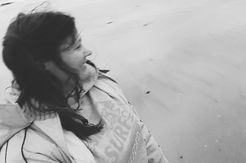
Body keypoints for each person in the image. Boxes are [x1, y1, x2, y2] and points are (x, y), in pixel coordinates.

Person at [0, 11, 169, 163]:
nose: (88, 52)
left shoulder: (99, 84)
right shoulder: (31, 151)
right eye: (76, 47)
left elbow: (142, 138)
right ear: (42, 64)